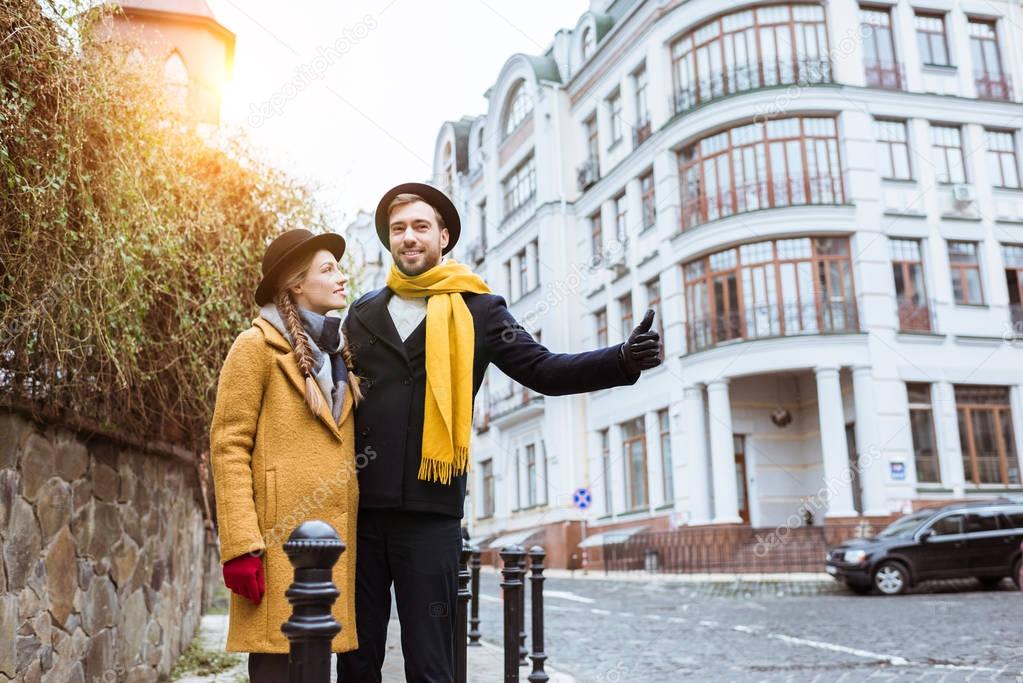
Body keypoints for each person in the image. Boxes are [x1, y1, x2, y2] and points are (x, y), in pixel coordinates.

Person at [339, 182, 662, 682]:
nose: (408, 237)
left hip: (431, 514)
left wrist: (621, 359)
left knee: (431, 666)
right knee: (357, 662)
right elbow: (334, 399)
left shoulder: (480, 310)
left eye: (420, 226)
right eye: (398, 229)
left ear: (443, 236)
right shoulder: (362, 313)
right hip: (362, 511)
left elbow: (545, 370)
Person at [209, 229, 364, 682]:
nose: (340, 277)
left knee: (316, 666)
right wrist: (241, 546)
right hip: (278, 545)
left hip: (327, 549)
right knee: (276, 669)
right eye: (327, 269)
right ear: (296, 283)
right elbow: (228, 444)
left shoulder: (340, 354)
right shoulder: (255, 346)